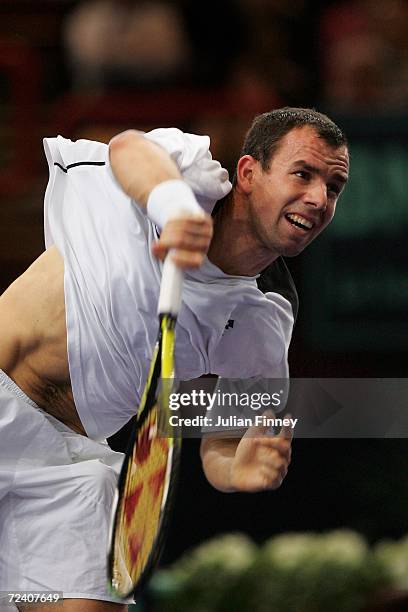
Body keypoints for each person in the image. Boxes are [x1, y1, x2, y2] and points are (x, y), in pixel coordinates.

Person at [0, 107, 349, 611]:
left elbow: (222, 443)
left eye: (333, 188)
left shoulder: (265, 321)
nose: (318, 198)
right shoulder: (190, 174)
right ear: (249, 172)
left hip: (66, 462)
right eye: (303, 174)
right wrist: (172, 206)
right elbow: (129, 148)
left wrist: (235, 470)